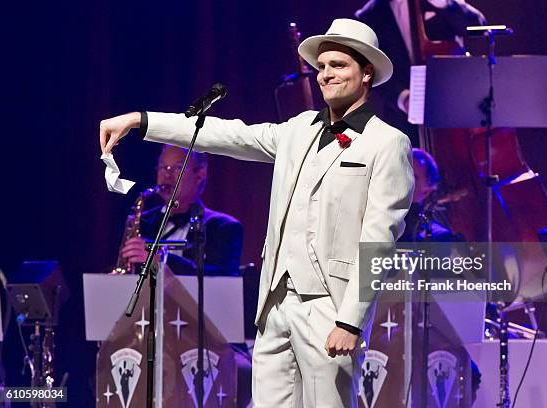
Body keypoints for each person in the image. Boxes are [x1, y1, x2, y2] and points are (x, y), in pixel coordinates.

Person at [100, 19, 414, 407]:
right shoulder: (299, 130)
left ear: (367, 73)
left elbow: (378, 241)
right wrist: (141, 121)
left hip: (329, 308)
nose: (326, 75)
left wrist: (350, 319)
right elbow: (226, 135)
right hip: (275, 305)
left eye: (339, 66)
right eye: (323, 66)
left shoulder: (387, 143)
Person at [356, 0, 486, 139]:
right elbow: (371, 71)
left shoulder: (442, 2)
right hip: (404, 121)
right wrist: (403, 98)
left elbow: (479, 27)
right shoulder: (368, 16)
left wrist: (443, 4)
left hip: (456, 111)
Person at [120, 145, 243, 276]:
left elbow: (225, 280)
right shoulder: (142, 222)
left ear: (200, 175)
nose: (166, 175)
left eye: (178, 168)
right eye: (163, 167)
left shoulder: (224, 227)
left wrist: (162, 260)